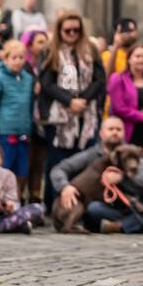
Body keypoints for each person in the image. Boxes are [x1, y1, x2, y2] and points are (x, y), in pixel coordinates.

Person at [39, 11, 105, 210]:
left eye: (76, 30)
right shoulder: (50, 50)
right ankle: (55, 203)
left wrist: (82, 100)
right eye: (68, 30)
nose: (72, 33)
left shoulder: (90, 49)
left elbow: (100, 80)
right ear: (60, 30)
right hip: (59, 117)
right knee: (58, 160)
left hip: (86, 114)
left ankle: (80, 204)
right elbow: (46, 83)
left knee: (83, 159)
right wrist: (69, 100)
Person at [0, 40, 36, 196]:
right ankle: (0, 201)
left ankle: (16, 201)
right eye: (14, 58)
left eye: (21, 58)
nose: (18, 61)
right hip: (5, 134)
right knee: (4, 171)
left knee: (22, 171)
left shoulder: (27, 78)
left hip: (24, 134)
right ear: (5, 59)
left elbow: (30, 106)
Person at [106, 44, 143, 158]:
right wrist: (142, 117)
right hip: (128, 131)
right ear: (129, 59)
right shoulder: (118, 78)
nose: (141, 59)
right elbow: (118, 107)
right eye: (137, 56)